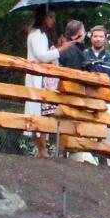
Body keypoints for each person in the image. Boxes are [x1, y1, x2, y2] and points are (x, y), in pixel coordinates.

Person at [24, 8, 76, 156]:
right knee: (39, 113)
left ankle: (42, 149)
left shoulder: (40, 35)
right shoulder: (37, 34)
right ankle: (42, 149)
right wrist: (61, 49)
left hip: (41, 79)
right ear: (43, 18)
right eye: (50, 17)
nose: (52, 21)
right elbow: (42, 56)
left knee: (42, 113)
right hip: (38, 80)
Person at [85, 25, 110, 162]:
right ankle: (88, 163)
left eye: (101, 36)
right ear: (91, 38)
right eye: (95, 36)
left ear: (105, 38)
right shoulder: (84, 55)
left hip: (108, 103)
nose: (98, 39)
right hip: (87, 101)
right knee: (87, 132)